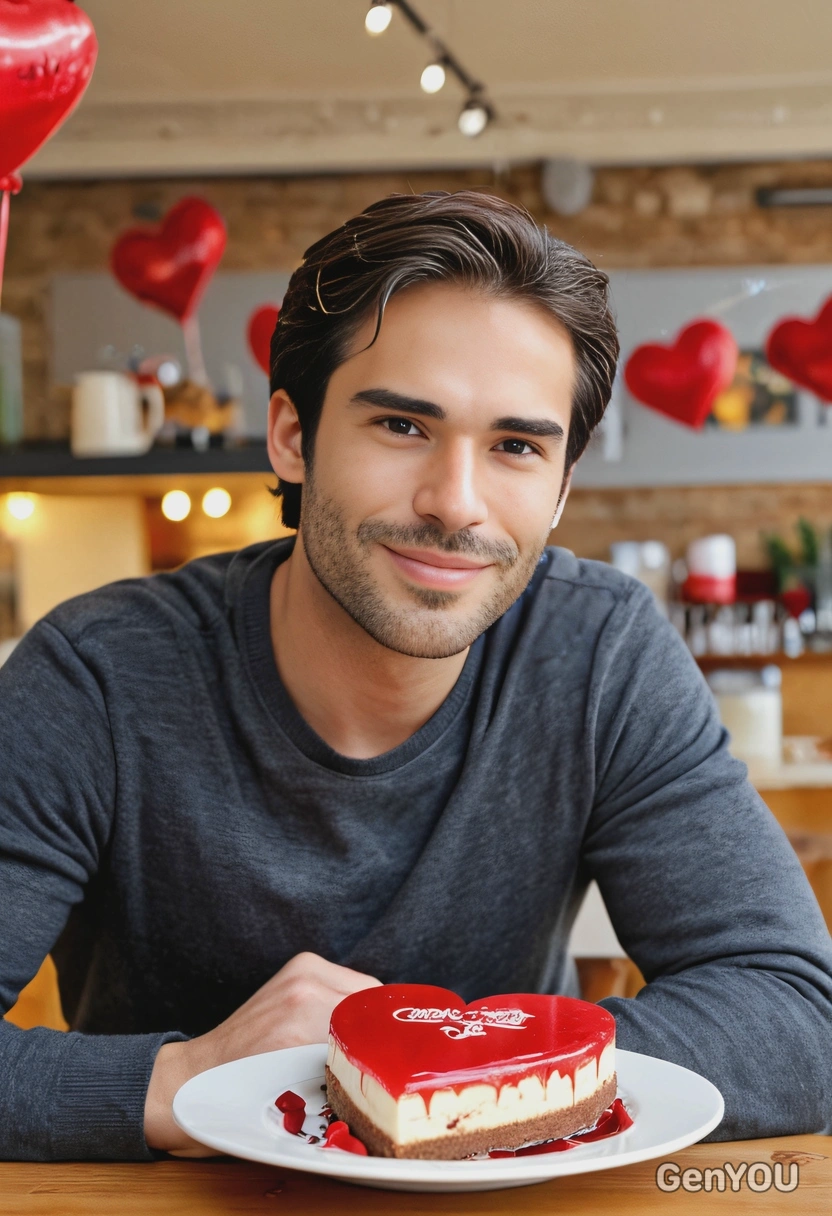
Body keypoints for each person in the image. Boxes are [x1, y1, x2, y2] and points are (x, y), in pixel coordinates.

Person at [1, 192, 830, 1162]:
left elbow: (794, 1020)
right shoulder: (97, 675)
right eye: (402, 425)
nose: (455, 503)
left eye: (516, 446)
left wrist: (427, 1066)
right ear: (291, 437)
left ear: (560, 489)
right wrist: (190, 1081)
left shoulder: (598, 651)